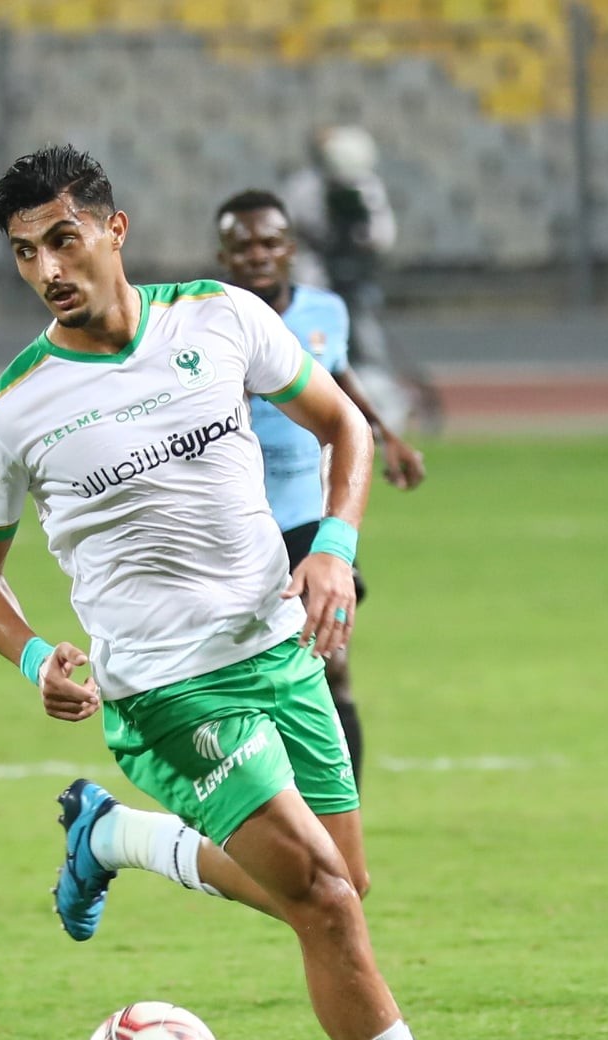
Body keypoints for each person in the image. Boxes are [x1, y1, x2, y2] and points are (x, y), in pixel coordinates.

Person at [0, 145, 533, 1040]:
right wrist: (35, 654)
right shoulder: (6, 411)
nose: (48, 269)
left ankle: (112, 838)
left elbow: (343, 425)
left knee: (341, 885)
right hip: (168, 692)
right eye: (26, 254)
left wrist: (335, 549)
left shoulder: (219, 319)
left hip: (280, 651)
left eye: (63, 240)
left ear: (114, 229)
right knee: (325, 904)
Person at [214, 187, 426, 790]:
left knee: (332, 665)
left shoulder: (325, 311)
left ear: (290, 249)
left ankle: (341, 813)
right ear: (223, 256)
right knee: (239, 675)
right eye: (243, 245)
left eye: (270, 242)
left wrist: (386, 435)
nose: (258, 254)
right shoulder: (209, 322)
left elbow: (336, 379)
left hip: (310, 516)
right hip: (238, 523)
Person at [281, 126, 442, 432]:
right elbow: (287, 230)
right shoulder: (303, 187)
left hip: (358, 276)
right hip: (314, 277)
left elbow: (382, 235)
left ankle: (384, 410)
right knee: (314, 342)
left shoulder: (368, 186)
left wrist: (358, 242)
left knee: (368, 344)